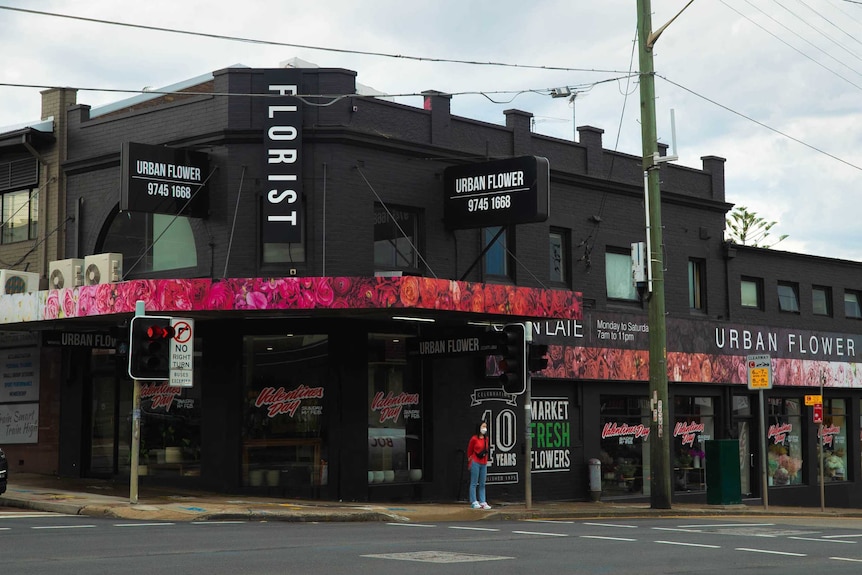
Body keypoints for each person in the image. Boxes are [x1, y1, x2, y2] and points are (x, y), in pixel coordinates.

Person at [467, 420, 491, 509]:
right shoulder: (474, 438)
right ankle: (473, 501)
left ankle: (483, 501)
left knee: (482, 483)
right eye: (483, 427)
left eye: (485, 427)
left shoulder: (486, 439)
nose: (485, 429)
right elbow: (470, 450)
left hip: (483, 462)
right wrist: (470, 460)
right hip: (475, 462)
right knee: (474, 482)